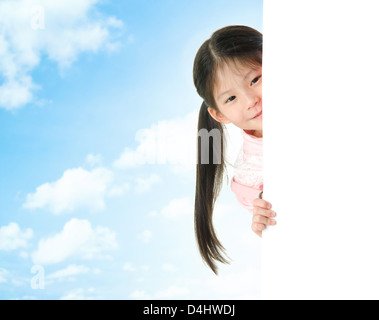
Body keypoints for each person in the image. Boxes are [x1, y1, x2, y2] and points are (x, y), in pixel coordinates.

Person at [193, 25, 277, 274]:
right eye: (231, 98)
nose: (251, 101)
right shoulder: (248, 180)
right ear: (219, 114)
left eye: (255, 79)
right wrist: (265, 225)